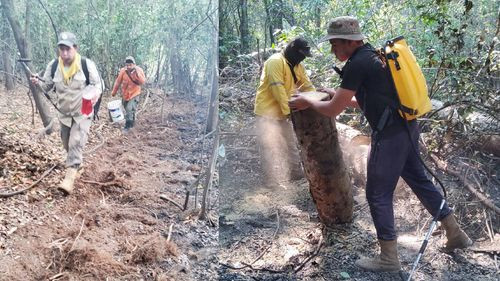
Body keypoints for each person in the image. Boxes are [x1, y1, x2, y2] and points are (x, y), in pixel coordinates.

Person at [289, 16, 472, 272]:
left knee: (377, 194)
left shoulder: (357, 64)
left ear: (348, 42)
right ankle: (456, 233)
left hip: (390, 135)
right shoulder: (373, 56)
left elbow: (332, 110)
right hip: (407, 127)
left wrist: (308, 102)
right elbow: (367, 100)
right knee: (419, 180)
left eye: (334, 44)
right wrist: (336, 92)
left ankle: (389, 259)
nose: (333, 49)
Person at [30, 31, 102, 194]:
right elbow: (47, 87)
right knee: (66, 143)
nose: (64, 53)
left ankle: (69, 179)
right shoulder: (54, 66)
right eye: (61, 49)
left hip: (82, 113)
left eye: (68, 49)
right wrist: (37, 82)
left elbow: (98, 85)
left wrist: (94, 95)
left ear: (75, 48)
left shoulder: (86, 64)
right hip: (63, 114)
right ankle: (77, 164)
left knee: (75, 141)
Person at [254, 37, 315, 186]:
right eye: (301, 54)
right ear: (294, 50)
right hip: (267, 112)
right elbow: (277, 89)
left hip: (283, 111)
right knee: (269, 145)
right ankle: (270, 180)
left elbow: (307, 85)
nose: (302, 58)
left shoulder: (297, 66)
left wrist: (317, 100)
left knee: (290, 142)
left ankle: (296, 174)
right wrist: (288, 112)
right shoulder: (275, 62)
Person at [111, 56, 146, 133]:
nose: (128, 67)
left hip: (134, 94)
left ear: (134, 64)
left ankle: (127, 126)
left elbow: (142, 82)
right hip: (125, 94)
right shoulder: (123, 71)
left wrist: (136, 73)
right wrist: (114, 92)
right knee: (127, 109)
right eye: (127, 65)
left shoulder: (139, 70)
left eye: (130, 65)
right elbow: (118, 82)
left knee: (129, 109)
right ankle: (132, 123)